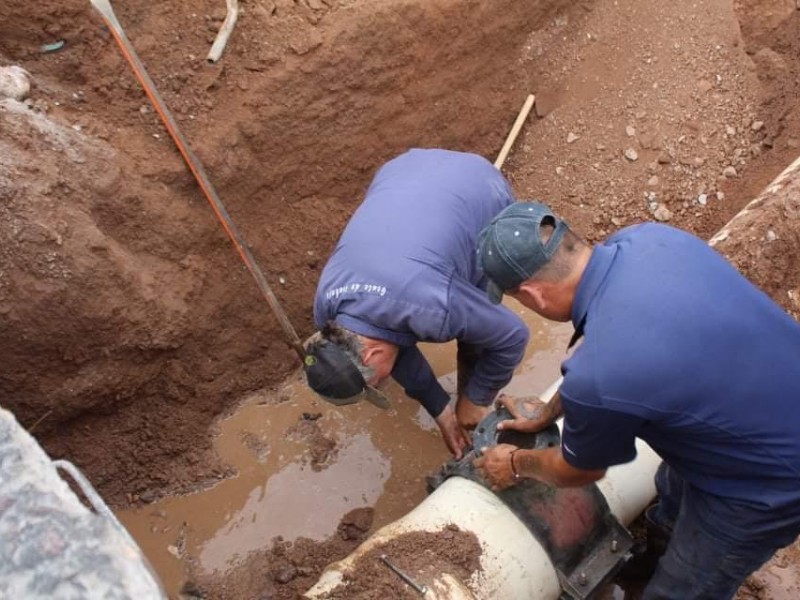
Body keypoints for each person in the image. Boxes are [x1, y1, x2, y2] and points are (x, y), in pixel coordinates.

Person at [472, 201, 800, 599]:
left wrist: (513, 464)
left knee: (685, 589)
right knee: (669, 492)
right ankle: (650, 555)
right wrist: (549, 410)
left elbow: (577, 471)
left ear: (533, 296)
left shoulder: (600, 378)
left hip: (769, 480)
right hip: (760, 398)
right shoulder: (648, 240)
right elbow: (614, 353)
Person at [304, 149, 529, 459]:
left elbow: (512, 335)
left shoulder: (433, 308)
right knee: (438, 317)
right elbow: (392, 342)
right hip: (402, 169)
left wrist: (475, 399)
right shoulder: (327, 310)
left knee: (479, 332)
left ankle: (473, 388)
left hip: (481, 188)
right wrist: (443, 412)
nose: (381, 384)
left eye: (378, 381)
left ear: (370, 354)